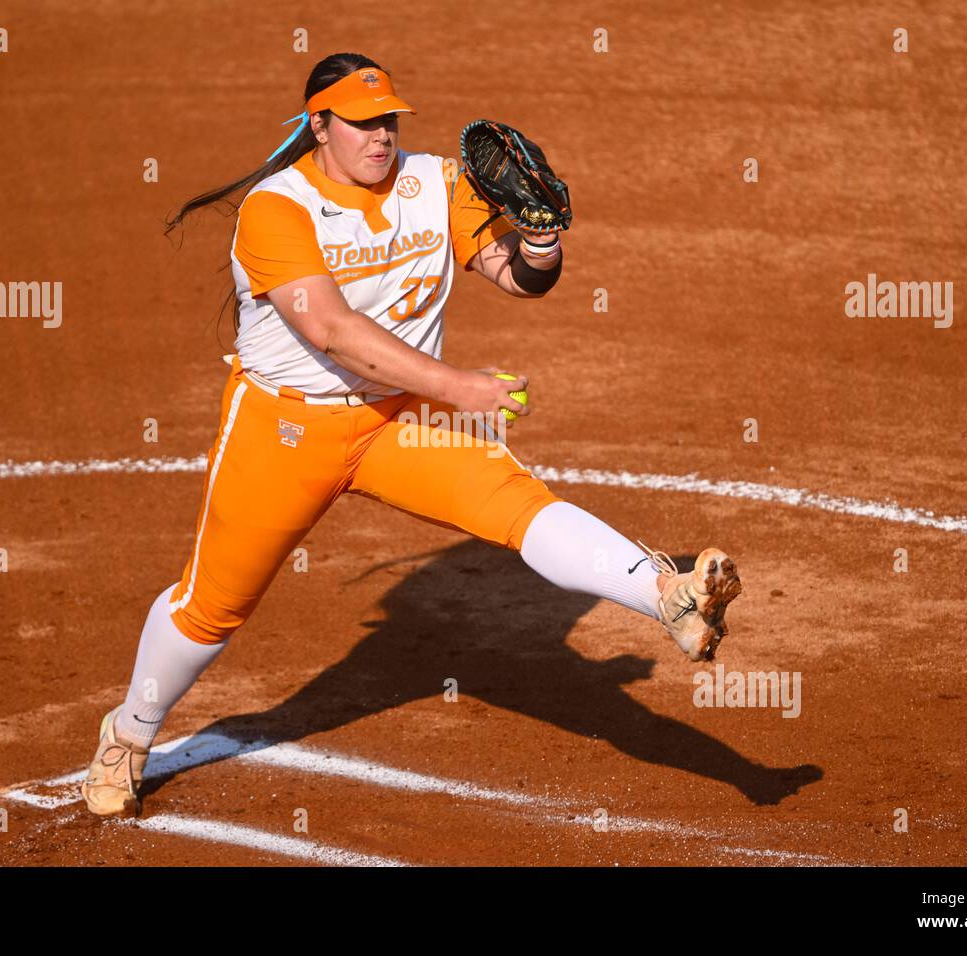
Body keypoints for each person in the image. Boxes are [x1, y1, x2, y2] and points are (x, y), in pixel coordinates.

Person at [81, 52, 742, 817]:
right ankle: (129, 735)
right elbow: (332, 331)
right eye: (362, 123)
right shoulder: (277, 209)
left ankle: (666, 592)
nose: (381, 136)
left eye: (389, 120)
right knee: (211, 609)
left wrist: (539, 243)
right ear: (319, 125)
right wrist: (462, 388)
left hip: (399, 418)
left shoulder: (433, 184)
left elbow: (514, 276)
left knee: (515, 503)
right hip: (287, 427)